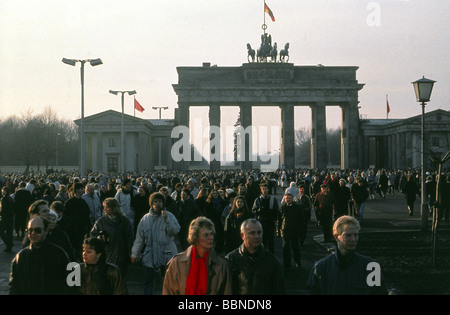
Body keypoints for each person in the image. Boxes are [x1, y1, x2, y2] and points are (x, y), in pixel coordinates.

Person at [306, 215, 388, 295]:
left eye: (356, 235)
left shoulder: (371, 267)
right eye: (348, 235)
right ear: (336, 237)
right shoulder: (321, 268)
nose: (353, 239)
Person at [163, 216, 231, 295]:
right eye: (206, 235)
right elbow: (168, 291)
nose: (211, 238)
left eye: (212, 234)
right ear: (196, 238)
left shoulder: (222, 265)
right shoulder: (177, 263)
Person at [131, 192, 180, 295]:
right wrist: (134, 253)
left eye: (160, 201)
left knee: (167, 283)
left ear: (163, 203)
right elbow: (139, 238)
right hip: (150, 255)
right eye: (155, 202)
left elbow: (175, 231)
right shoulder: (145, 219)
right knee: (149, 282)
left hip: (167, 254)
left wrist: (166, 219)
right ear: (151, 204)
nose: (157, 204)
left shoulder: (169, 216)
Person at [10, 217, 71, 295]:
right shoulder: (21, 257)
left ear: (46, 231)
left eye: (37, 230)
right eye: (30, 230)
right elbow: (15, 286)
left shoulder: (59, 254)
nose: (33, 233)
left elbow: (72, 280)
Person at [225, 218, 285, 295]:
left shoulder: (272, 261)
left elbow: (279, 290)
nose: (257, 236)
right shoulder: (231, 259)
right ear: (242, 235)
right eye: (252, 233)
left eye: (259, 232)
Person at [90, 197, 134, 275]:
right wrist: (99, 238)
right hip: (106, 253)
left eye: (107, 207)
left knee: (120, 279)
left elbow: (130, 238)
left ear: (114, 208)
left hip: (121, 254)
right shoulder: (101, 221)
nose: (105, 209)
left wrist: (130, 253)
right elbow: (93, 235)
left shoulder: (124, 221)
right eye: (104, 207)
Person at [64, 182, 92, 260]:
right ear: (77, 190)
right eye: (81, 188)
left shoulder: (82, 202)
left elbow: (87, 216)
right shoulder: (69, 202)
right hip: (72, 230)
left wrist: (89, 229)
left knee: (79, 250)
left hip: (80, 229)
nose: (83, 190)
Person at [278, 193, 304, 272]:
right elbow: (279, 220)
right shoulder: (282, 208)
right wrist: (278, 231)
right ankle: (287, 265)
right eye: (286, 198)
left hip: (294, 230)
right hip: (285, 231)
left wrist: (300, 230)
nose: (288, 199)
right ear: (284, 199)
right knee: (286, 249)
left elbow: (301, 220)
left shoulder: (297, 208)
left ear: (292, 199)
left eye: (289, 198)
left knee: (295, 247)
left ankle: (298, 262)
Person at [251, 183, 279, 253]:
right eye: (263, 189)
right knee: (262, 240)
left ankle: (271, 255)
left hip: (270, 222)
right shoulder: (257, 200)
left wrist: (273, 215)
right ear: (261, 190)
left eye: (265, 188)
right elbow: (253, 210)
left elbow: (277, 210)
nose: (264, 190)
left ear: (268, 189)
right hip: (261, 222)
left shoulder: (273, 199)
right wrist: (258, 211)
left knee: (271, 240)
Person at [0, 186, 14, 252]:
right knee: (9, 232)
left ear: (5, 191)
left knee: (1, 231)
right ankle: (9, 246)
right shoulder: (11, 198)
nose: (2, 191)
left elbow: (3, 209)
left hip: (5, 217)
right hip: (10, 217)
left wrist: (1, 214)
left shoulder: (4, 199)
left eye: (3, 190)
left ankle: (8, 243)